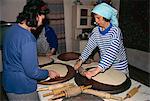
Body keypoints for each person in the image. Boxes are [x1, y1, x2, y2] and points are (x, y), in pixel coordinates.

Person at [2, 0, 60, 101]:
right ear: (36, 15)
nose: (41, 23)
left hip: (9, 82)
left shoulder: (11, 30)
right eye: (42, 19)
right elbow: (32, 72)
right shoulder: (28, 38)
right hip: (22, 87)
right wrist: (48, 73)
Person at [74, 3, 128, 79]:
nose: (95, 21)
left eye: (98, 18)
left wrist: (95, 71)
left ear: (106, 17)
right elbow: (89, 47)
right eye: (95, 18)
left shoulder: (115, 31)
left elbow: (111, 52)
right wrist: (80, 61)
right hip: (104, 65)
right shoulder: (96, 31)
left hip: (119, 66)